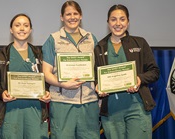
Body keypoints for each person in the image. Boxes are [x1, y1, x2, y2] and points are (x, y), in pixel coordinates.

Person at [94, 4, 160, 139]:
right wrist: (97, 86)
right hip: (111, 110)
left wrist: (139, 79)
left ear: (128, 22)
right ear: (108, 22)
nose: (118, 23)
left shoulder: (140, 43)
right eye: (113, 19)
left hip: (137, 107)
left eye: (122, 19)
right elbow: (95, 76)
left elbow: (154, 72)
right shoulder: (99, 47)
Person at [42, 1, 100, 139]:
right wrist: (63, 84)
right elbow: (46, 73)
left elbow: (98, 69)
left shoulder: (91, 39)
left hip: (89, 102)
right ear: (62, 17)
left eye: (75, 13)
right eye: (68, 14)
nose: (72, 17)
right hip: (62, 103)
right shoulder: (53, 40)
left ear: (81, 16)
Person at [0, 13, 51, 139]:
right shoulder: (2, 56)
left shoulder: (39, 54)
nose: (22, 29)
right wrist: (1, 94)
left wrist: (46, 91)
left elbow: (46, 79)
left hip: (35, 111)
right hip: (10, 112)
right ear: (11, 30)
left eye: (26, 25)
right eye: (17, 25)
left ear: (30, 30)